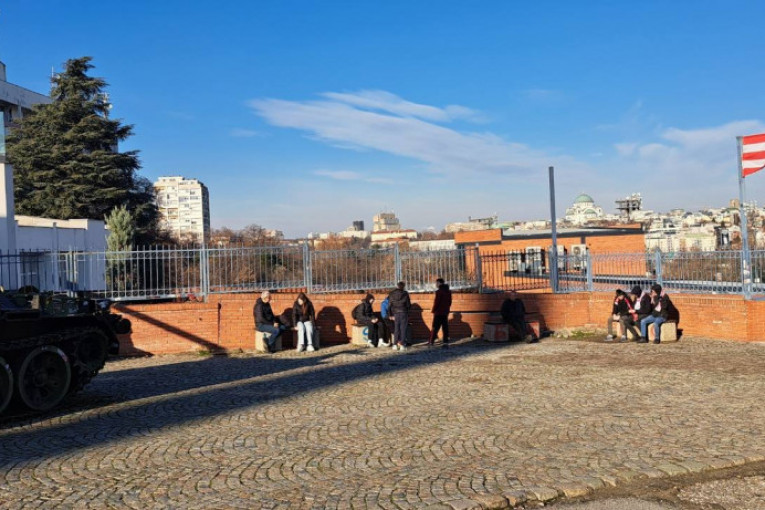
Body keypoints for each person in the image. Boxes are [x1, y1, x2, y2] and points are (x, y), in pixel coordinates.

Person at [387, 281, 411, 351]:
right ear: (403, 286)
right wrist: (408, 311)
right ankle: (402, 345)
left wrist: (390, 315)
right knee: (403, 329)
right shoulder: (405, 293)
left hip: (395, 313)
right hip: (403, 312)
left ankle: (395, 344)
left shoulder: (391, 294)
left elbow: (389, 305)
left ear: (397, 286)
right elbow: (408, 305)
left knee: (396, 329)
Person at [429, 278, 451, 347]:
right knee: (445, 327)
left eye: (436, 283)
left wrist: (433, 310)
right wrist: (447, 309)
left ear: (439, 283)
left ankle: (431, 341)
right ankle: (445, 342)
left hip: (438, 312)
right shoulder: (448, 291)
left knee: (435, 327)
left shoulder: (439, 292)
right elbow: (449, 302)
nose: (436, 284)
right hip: (445, 312)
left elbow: (437, 302)